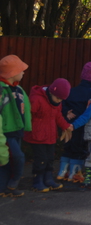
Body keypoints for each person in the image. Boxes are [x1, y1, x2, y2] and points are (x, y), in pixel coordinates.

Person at [24, 78, 73, 192]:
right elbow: (28, 115)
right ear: (51, 92)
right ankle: (38, 181)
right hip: (37, 136)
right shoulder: (36, 99)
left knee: (50, 158)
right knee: (41, 159)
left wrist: (65, 126)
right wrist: (28, 129)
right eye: (57, 98)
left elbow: (58, 116)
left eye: (61, 99)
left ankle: (48, 179)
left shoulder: (56, 103)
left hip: (50, 136)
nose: (58, 101)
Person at [58, 62, 91, 183]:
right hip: (81, 127)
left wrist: (66, 112)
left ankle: (62, 172)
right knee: (79, 149)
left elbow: (63, 103)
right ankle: (75, 173)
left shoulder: (71, 91)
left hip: (68, 124)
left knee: (68, 147)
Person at [0, 55, 31, 198]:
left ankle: (6, 188)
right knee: (16, 158)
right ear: (12, 73)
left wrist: (27, 127)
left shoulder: (18, 89)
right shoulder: (2, 90)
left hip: (17, 130)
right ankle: (12, 183)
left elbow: (26, 107)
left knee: (11, 160)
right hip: (7, 131)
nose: (23, 72)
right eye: (21, 70)